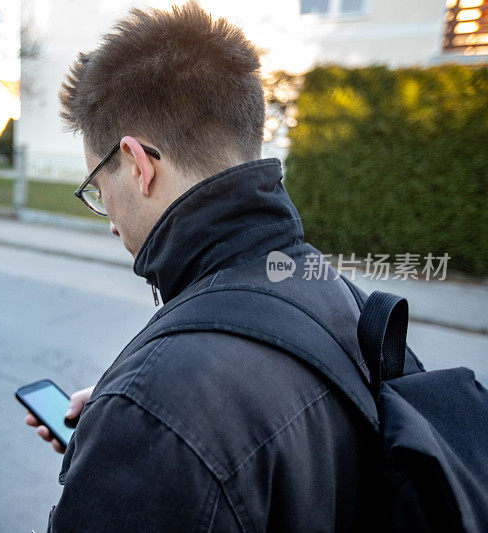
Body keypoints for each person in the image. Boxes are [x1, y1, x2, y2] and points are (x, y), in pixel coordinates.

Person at [23, 3, 424, 531]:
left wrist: (136, 428)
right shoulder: (332, 293)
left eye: (97, 189)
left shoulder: (155, 409)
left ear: (138, 164)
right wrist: (117, 433)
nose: (109, 219)